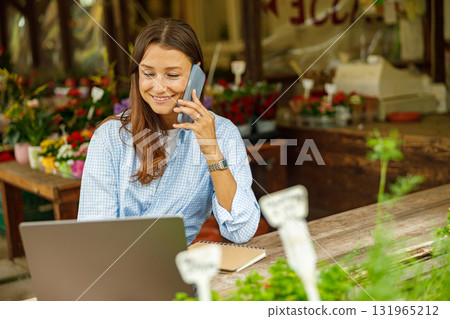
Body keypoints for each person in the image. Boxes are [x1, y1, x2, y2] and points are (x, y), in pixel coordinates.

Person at [78, 18, 260, 245]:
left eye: (172, 75)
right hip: (117, 270)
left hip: (178, 272)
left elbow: (241, 230)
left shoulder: (222, 134)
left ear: (197, 75)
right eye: (148, 74)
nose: (159, 87)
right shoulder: (110, 137)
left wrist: (212, 152)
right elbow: (94, 236)